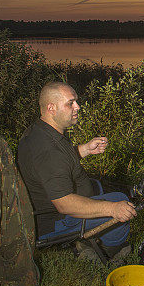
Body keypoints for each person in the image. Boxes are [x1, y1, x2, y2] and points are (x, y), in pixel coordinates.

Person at [17, 81, 136, 261]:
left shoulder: (41, 131)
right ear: (51, 108)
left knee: (100, 186)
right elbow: (64, 204)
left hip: (53, 207)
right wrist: (113, 208)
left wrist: (85, 150)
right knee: (121, 201)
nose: (77, 107)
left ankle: (94, 237)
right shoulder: (48, 151)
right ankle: (106, 250)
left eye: (76, 102)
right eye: (70, 103)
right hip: (55, 220)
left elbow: (58, 161)